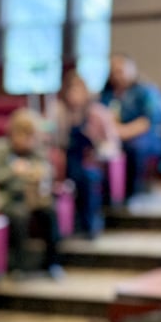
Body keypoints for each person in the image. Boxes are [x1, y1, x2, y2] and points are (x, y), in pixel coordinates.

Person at [0, 109, 61, 279]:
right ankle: (18, 265)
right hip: (9, 197)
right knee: (19, 215)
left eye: (29, 135)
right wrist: (12, 171)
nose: (24, 139)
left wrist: (38, 172)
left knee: (50, 212)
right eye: (20, 134)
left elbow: (49, 172)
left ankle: (52, 263)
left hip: (35, 198)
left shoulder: (38, 150)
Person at [50, 69, 118, 239]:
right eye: (71, 89)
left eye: (78, 88)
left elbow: (112, 145)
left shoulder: (98, 113)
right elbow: (49, 139)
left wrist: (96, 145)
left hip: (92, 161)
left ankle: (89, 223)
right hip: (66, 161)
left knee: (87, 178)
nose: (75, 93)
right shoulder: (58, 112)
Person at [98, 55, 161, 198]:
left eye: (120, 70)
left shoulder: (144, 92)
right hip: (112, 134)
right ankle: (106, 193)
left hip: (144, 136)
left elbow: (148, 121)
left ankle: (130, 192)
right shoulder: (106, 94)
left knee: (134, 147)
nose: (116, 75)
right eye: (113, 71)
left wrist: (122, 132)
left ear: (131, 70)